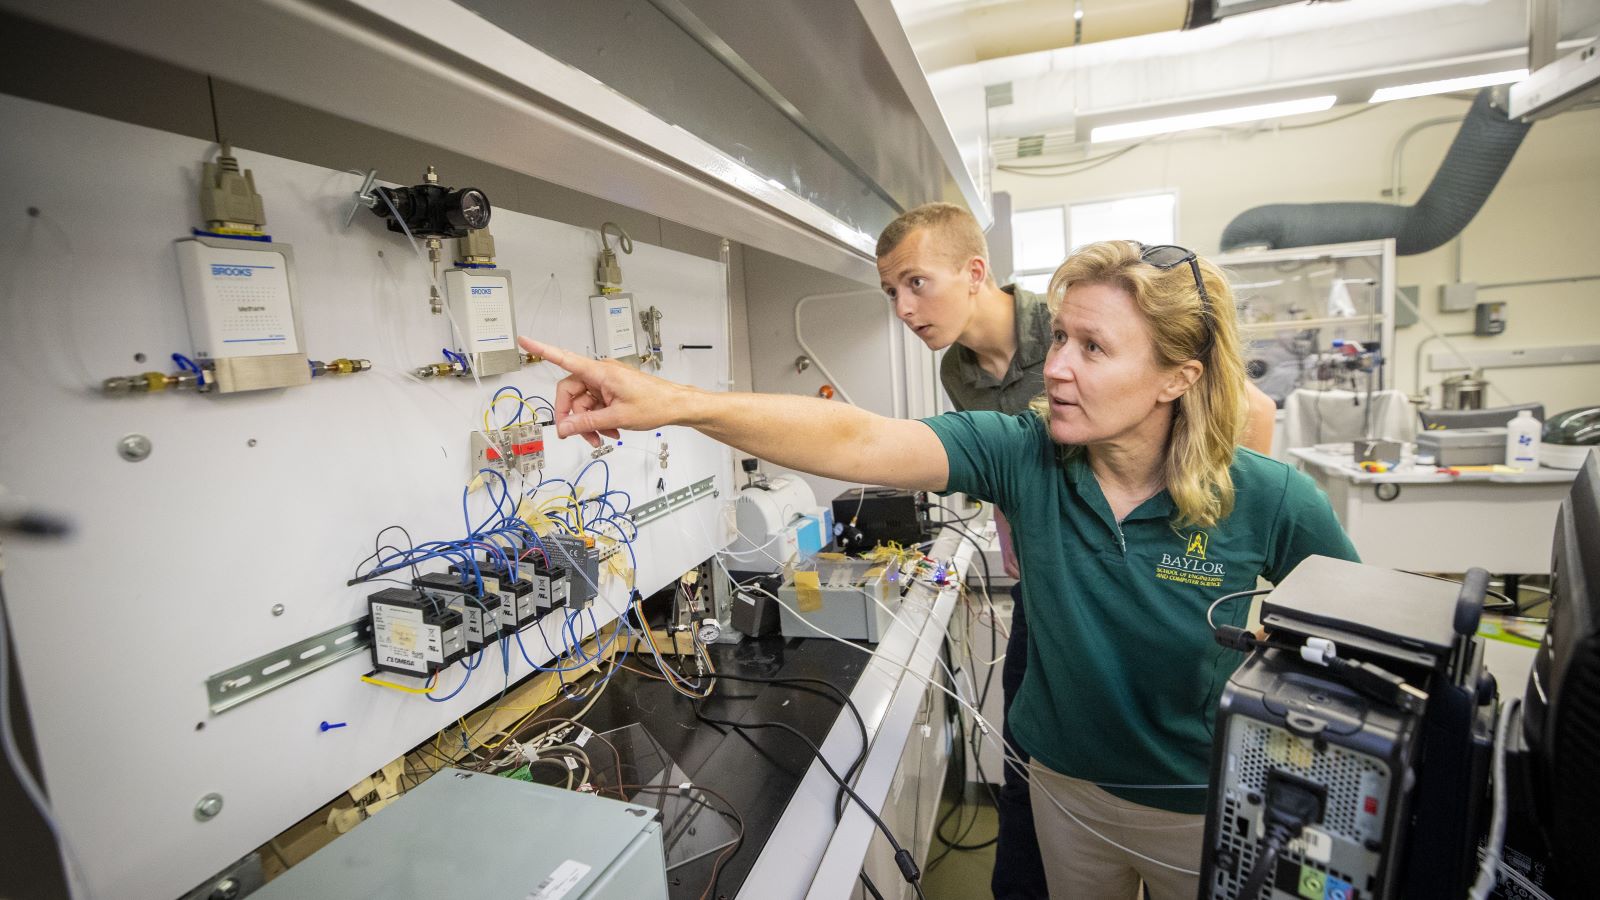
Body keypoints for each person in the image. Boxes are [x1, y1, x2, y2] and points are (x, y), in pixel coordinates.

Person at [518, 239, 1356, 900]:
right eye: (1060, 336)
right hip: (1066, 793)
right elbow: (861, 439)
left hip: (1202, 810)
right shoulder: (1026, 454)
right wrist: (679, 403)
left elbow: (1370, 659)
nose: (1057, 365)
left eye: (1093, 348)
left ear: (1179, 376)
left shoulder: (1274, 500)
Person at [875, 203, 1279, 899]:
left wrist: (1217, 541)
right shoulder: (958, 373)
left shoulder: (1070, 317)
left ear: (975, 274)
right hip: (1052, 583)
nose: (905, 309)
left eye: (916, 283)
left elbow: (1252, 413)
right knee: (1030, 746)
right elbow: (1008, 471)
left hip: (1141, 573)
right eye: (891, 293)